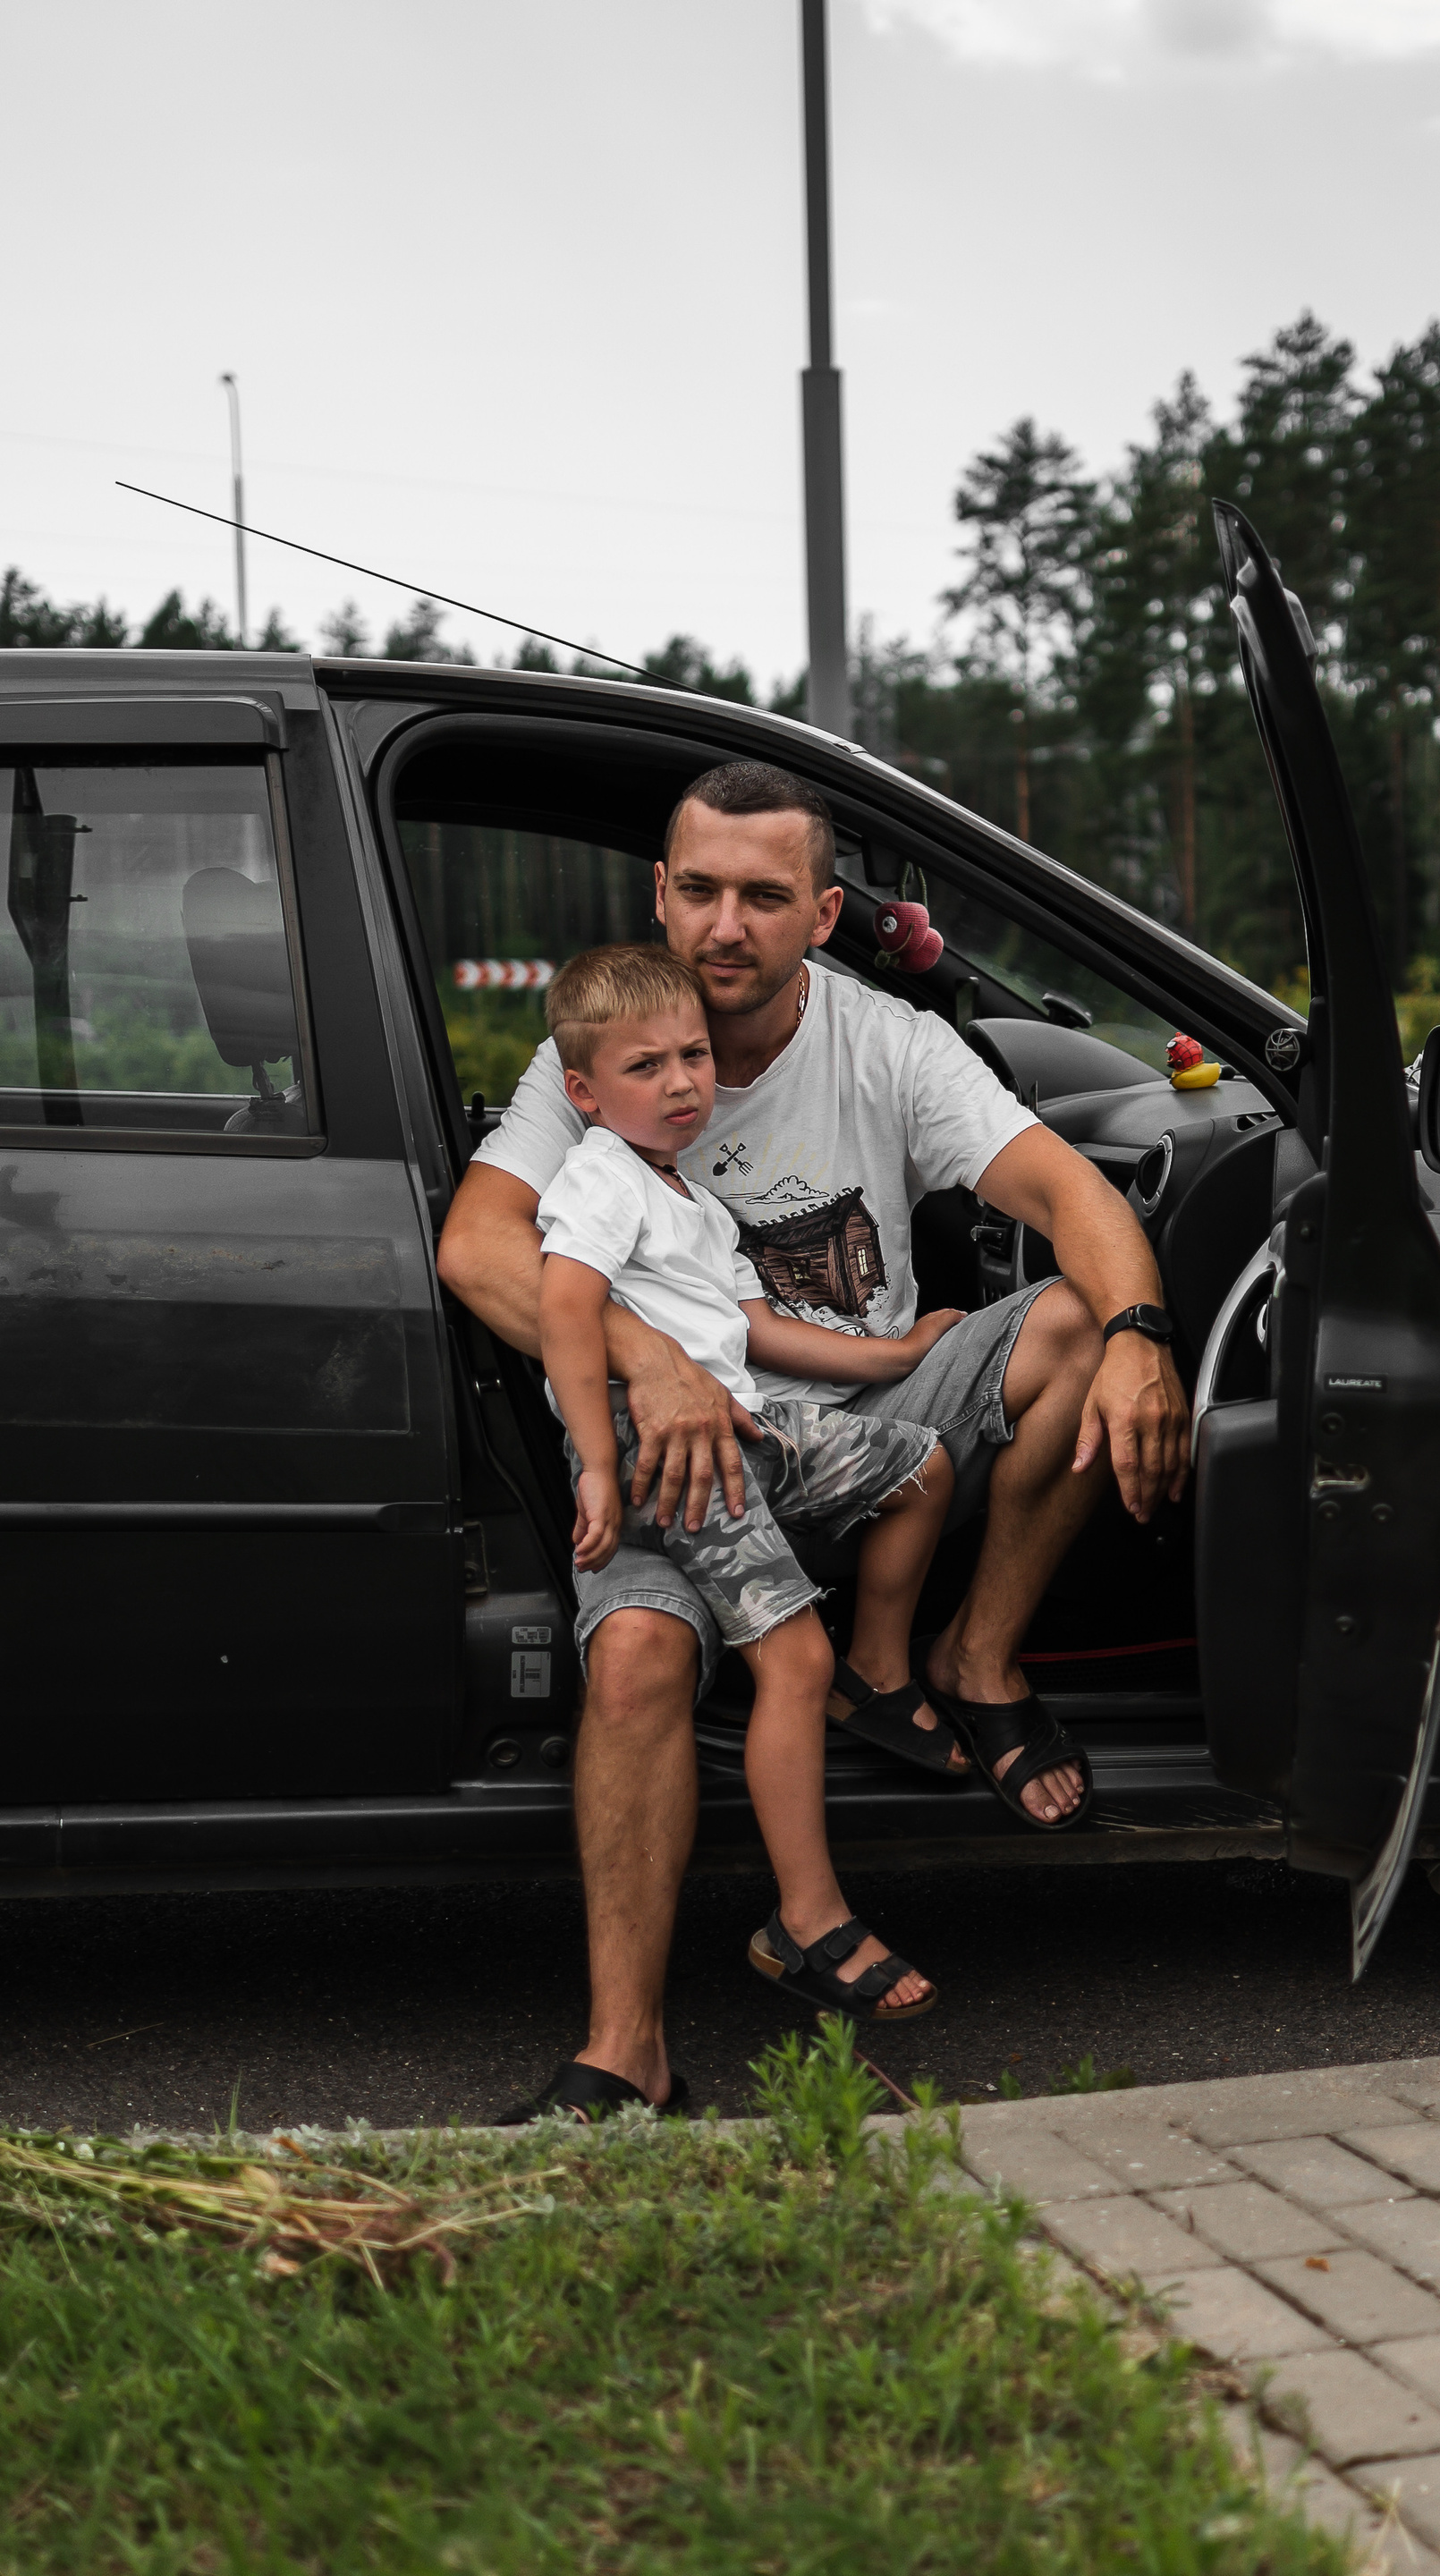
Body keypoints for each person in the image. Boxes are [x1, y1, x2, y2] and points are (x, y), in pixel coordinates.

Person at [438, 758, 1190, 2116]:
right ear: (659, 893)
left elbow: (1069, 1191)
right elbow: (478, 1248)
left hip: (868, 1426)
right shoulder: (598, 1056)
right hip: (688, 1460)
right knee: (638, 1659)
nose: (725, 926)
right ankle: (626, 2050)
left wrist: (1143, 1332)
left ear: (825, 914)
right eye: (700, 890)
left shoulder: (887, 1043)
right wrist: (653, 1362)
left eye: (765, 897)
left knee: (1081, 1322)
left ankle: (973, 1661)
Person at [528, 945, 955, 2112]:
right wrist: (600, 1464)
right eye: (646, 1066)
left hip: (744, 1428)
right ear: (584, 1092)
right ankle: (809, 1917)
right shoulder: (602, 1178)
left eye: (693, 1057)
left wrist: (896, 1357)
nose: (681, 1083)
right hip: (667, 1451)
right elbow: (564, 1307)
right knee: (791, 1659)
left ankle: (879, 1667)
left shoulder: (694, 1200)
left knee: (922, 1463)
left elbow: (756, 1333)